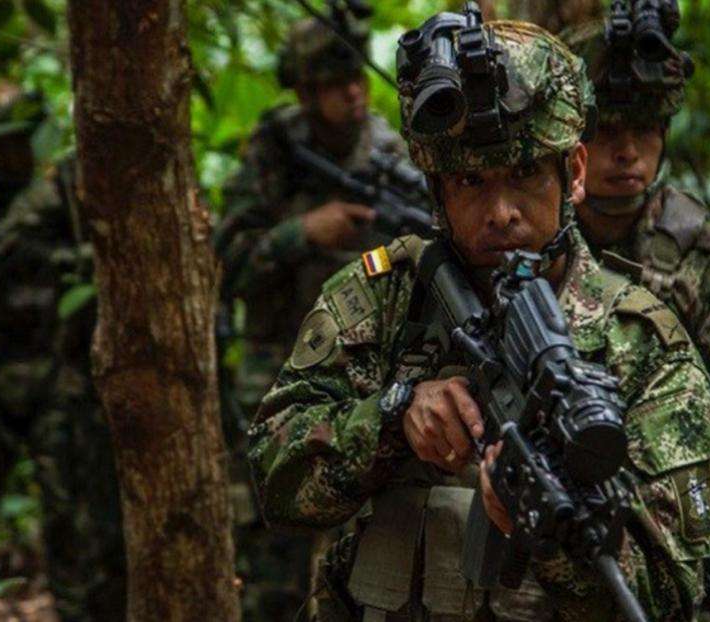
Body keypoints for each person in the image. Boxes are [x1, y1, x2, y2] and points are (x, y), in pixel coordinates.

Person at [249, 18, 710, 621]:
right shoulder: (382, 300)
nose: (500, 212)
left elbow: (670, 596)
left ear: (574, 173)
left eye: (525, 174)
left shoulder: (643, 345)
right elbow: (274, 480)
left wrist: (549, 535)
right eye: (470, 181)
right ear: (437, 192)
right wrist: (392, 418)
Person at [525, 0, 710, 507]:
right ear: (572, 142)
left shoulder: (707, 266)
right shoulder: (526, 246)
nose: (628, 152)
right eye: (608, 132)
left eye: (645, 129)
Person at [213, 15, 414, 618]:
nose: (352, 93)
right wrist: (301, 233)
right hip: (276, 363)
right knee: (270, 548)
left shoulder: (389, 152)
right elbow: (225, 262)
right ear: (304, 91)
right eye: (333, 84)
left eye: (356, 78)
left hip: (366, 376)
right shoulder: (274, 151)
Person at [0, 83, 125, 621]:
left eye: (19, 143)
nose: (12, 157)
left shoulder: (60, 201)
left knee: (66, 514)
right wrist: (29, 217)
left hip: (50, 378)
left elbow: (91, 261)